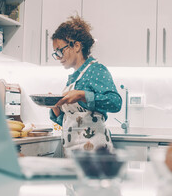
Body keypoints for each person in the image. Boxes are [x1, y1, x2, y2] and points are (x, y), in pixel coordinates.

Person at [49, 15, 122, 156]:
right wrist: (56, 108)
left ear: (76, 46)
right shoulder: (73, 78)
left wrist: (82, 95)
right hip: (73, 151)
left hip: (95, 152)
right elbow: (72, 122)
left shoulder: (96, 70)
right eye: (55, 53)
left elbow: (115, 102)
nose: (58, 57)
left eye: (60, 50)